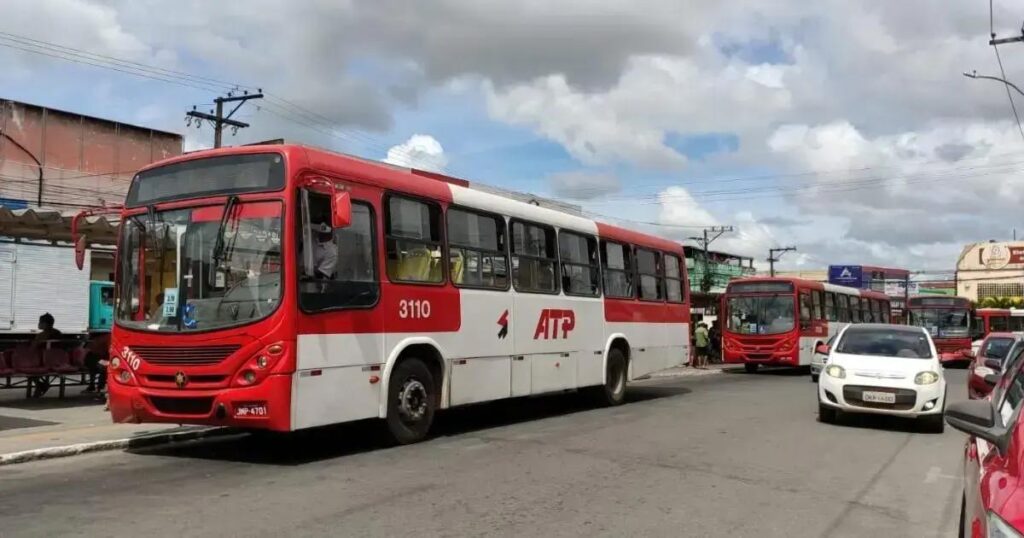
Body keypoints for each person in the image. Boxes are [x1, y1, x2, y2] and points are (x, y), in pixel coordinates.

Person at [30, 313, 61, 397]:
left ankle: (39, 385)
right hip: (58, 360)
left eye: (40, 322)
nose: (38, 324)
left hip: (43, 361)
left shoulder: (41, 336)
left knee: (29, 368)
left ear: (45, 324)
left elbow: (33, 348)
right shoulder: (58, 333)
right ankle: (40, 385)